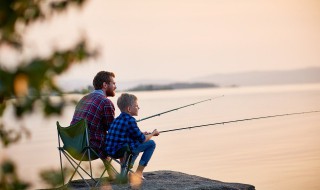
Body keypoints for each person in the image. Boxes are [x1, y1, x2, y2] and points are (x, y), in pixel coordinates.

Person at [70, 71, 117, 176]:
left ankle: (112, 174)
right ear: (105, 85)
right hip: (89, 149)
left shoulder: (83, 99)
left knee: (100, 136)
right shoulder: (105, 102)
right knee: (121, 138)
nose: (115, 86)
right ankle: (121, 176)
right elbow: (112, 130)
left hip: (73, 146)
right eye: (113, 83)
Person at [105, 93, 159, 181]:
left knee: (134, 143)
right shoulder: (130, 120)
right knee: (151, 144)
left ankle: (125, 172)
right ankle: (138, 173)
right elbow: (142, 139)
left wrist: (142, 133)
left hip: (110, 151)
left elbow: (127, 133)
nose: (139, 108)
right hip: (121, 151)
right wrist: (153, 133)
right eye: (137, 106)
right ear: (129, 109)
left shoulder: (117, 119)